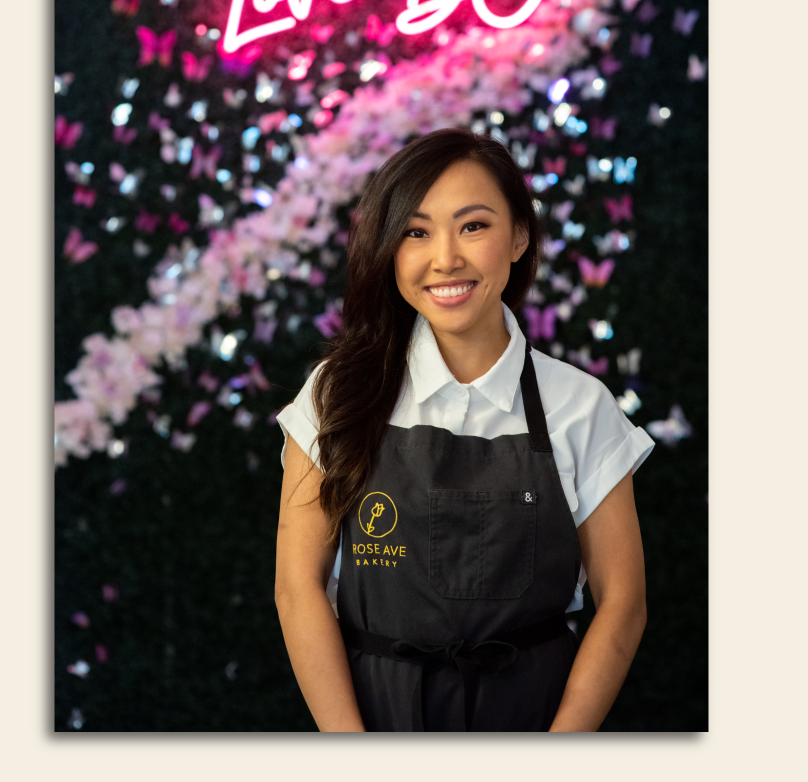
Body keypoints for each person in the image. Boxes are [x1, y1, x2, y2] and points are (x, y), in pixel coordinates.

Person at [273, 128, 652, 731]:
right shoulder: (335, 395)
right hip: (377, 717)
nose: (445, 257)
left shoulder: (580, 405)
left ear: (519, 237)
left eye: (473, 226)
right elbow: (298, 590)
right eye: (416, 232)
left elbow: (624, 602)